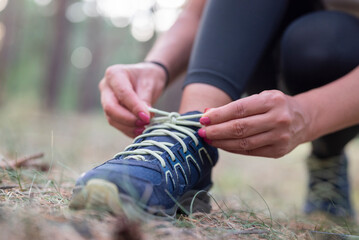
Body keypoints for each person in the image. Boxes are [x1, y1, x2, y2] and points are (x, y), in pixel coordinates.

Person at [70, 0, 359, 219]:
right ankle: (191, 142)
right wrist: (156, 66)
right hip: (262, 50)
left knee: (323, 43)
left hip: (339, 63)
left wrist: (310, 114)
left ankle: (327, 156)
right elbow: (198, 13)